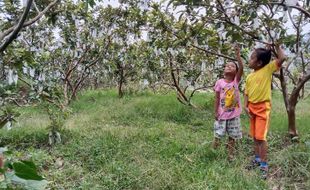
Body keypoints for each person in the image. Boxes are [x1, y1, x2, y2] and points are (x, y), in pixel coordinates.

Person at [244, 44, 286, 178]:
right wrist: (246, 106)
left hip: (263, 109)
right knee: (255, 137)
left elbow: (282, 58)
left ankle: (264, 164)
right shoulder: (250, 76)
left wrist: (277, 46)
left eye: (252, 58)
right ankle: (257, 160)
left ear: (259, 62)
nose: (249, 61)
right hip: (251, 108)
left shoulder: (268, 69)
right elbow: (246, 93)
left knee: (261, 138)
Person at [213, 45, 243, 161]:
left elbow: (241, 68)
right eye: (227, 66)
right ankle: (214, 151)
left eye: (232, 66)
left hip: (234, 115)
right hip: (222, 115)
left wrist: (238, 56)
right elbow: (216, 98)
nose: (229, 67)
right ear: (224, 70)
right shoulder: (219, 82)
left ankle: (230, 155)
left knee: (232, 136)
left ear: (236, 72)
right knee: (218, 134)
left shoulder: (236, 81)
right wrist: (215, 112)